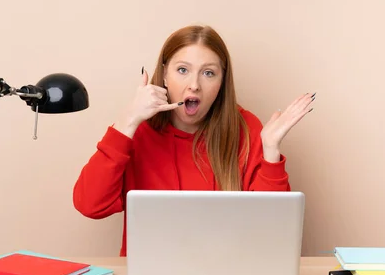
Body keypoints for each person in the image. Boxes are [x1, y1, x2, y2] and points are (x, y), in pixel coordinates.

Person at [73, 25, 315, 256]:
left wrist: (270, 150)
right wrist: (126, 122)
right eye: (182, 70)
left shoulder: (246, 128)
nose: (194, 85)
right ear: (164, 75)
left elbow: (273, 231)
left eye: (208, 73)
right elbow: (89, 205)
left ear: (221, 83)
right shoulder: (137, 131)